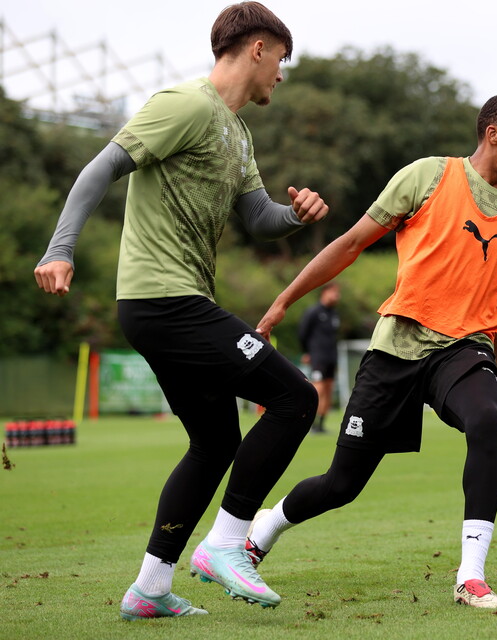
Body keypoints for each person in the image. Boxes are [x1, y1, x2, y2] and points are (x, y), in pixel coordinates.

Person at [34, 2, 329, 620]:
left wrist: (295, 215)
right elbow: (102, 166)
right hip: (164, 301)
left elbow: (258, 217)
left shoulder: (238, 132)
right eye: (281, 59)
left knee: (216, 443)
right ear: (257, 48)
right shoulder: (186, 103)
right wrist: (60, 249)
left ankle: (149, 588)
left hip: (175, 305)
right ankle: (226, 544)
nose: (281, 74)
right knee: (296, 398)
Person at [246, 93, 497, 610]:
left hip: (464, 348)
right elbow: (350, 244)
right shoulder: (427, 176)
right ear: (493, 134)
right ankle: (264, 529)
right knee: (342, 484)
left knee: (486, 419)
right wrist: (282, 302)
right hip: (398, 347)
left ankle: (471, 576)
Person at [298, 282, 341, 433]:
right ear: (325, 292)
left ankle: (320, 425)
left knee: (329, 389)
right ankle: (308, 421)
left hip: (331, 357)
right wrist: (307, 352)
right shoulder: (313, 312)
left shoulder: (334, 314)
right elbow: (303, 333)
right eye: (334, 292)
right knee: (318, 388)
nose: (337, 296)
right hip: (318, 356)